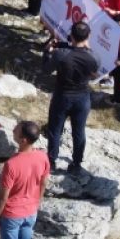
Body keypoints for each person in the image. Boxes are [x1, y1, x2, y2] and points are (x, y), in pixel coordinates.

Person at [0, 121, 51, 239]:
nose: (13, 130)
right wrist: (37, 202)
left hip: (12, 215)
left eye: (16, 130)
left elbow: (3, 196)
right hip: (31, 212)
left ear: (23, 140)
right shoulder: (42, 156)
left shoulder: (11, 164)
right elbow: (43, 182)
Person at [44, 22, 100, 174]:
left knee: (55, 129)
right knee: (79, 131)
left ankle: (51, 161)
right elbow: (95, 74)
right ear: (89, 36)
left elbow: (46, 69)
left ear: (71, 35)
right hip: (82, 98)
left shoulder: (60, 54)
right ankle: (76, 164)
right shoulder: (94, 57)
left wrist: (47, 52)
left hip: (62, 96)